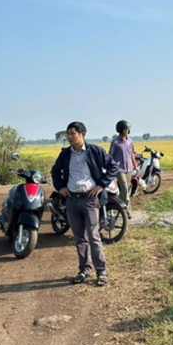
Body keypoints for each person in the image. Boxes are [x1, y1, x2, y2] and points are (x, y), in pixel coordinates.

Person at [51, 122, 119, 286]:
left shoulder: (95, 151)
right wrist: (60, 187)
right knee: (79, 237)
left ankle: (101, 271)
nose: (69, 137)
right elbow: (55, 171)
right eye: (68, 134)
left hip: (90, 199)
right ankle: (84, 270)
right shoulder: (66, 154)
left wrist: (101, 185)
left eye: (72, 133)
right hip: (72, 200)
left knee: (94, 236)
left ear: (83, 134)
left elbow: (113, 167)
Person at [108, 120, 136, 218]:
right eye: (125, 129)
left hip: (129, 168)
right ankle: (127, 211)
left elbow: (132, 153)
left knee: (126, 189)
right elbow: (110, 155)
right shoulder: (115, 142)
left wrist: (135, 166)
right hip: (119, 169)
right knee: (124, 188)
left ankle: (120, 208)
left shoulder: (130, 141)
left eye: (128, 129)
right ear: (121, 130)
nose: (127, 130)